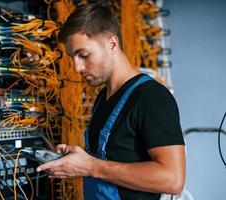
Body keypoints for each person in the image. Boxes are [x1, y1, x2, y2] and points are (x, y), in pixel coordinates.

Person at [37, 3, 185, 200]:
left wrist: (91, 166)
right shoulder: (103, 97)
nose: (77, 67)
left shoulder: (151, 97)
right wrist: (77, 159)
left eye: (84, 55)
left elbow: (173, 180)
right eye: (73, 57)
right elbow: (114, 157)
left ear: (112, 44)